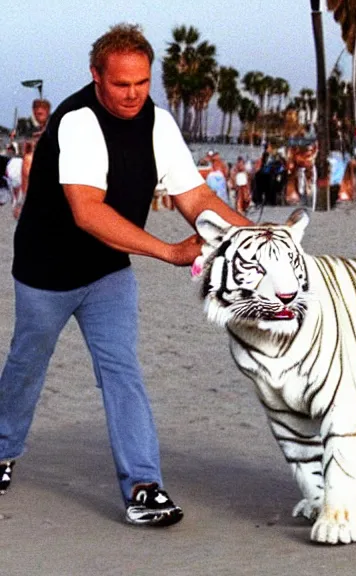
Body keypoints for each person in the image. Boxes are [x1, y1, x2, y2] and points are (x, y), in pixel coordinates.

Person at [0, 24, 250, 527]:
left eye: (142, 82)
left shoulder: (157, 123)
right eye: (121, 84)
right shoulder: (77, 121)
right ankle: (3, 447)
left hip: (107, 271)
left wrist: (259, 238)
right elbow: (88, 212)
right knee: (29, 362)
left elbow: (196, 199)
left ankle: (143, 486)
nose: (133, 94)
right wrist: (168, 251)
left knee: (121, 370)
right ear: (97, 77)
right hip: (46, 273)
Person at [16, 99, 52, 218]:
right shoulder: (24, 124)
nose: (39, 116)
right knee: (28, 160)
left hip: (48, 159)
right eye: (37, 113)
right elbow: (20, 143)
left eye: (42, 113)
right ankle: (25, 200)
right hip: (25, 159)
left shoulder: (54, 124)